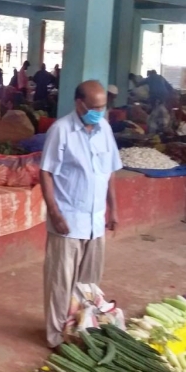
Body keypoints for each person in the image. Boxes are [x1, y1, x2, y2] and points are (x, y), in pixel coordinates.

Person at [39, 80, 122, 349]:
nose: (99, 112)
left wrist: (114, 209)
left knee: (88, 285)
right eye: (95, 107)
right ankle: (55, 338)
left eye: (103, 106)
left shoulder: (105, 129)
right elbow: (46, 172)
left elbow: (109, 171)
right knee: (60, 284)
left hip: (95, 221)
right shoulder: (61, 131)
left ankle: (79, 329)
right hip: (68, 220)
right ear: (79, 103)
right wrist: (54, 212)